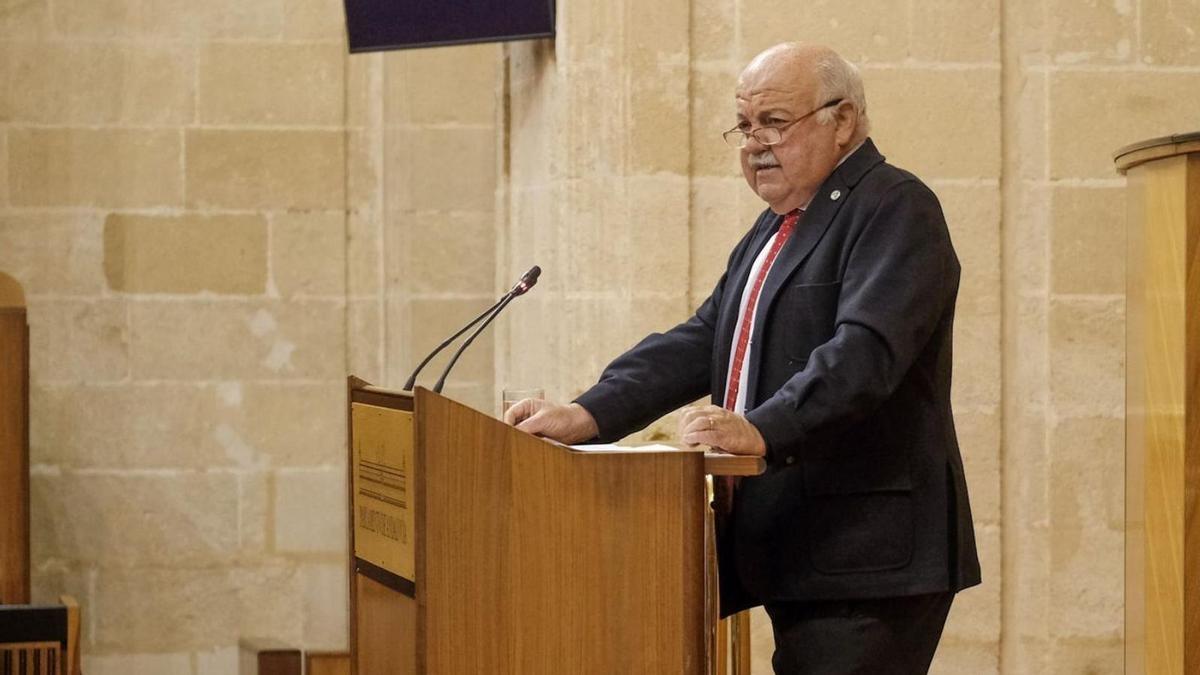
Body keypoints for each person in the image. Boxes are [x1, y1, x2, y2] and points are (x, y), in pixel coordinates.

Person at [503, 42, 980, 674]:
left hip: (868, 554)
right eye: (745, 125)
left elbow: (865, 353)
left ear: (842, 122)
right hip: (803, 547)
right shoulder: (780, 225)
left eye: (775, 123)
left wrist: (761, 427)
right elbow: (706, 338)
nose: (755, 143)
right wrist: (589, 413)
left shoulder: (895, 207)